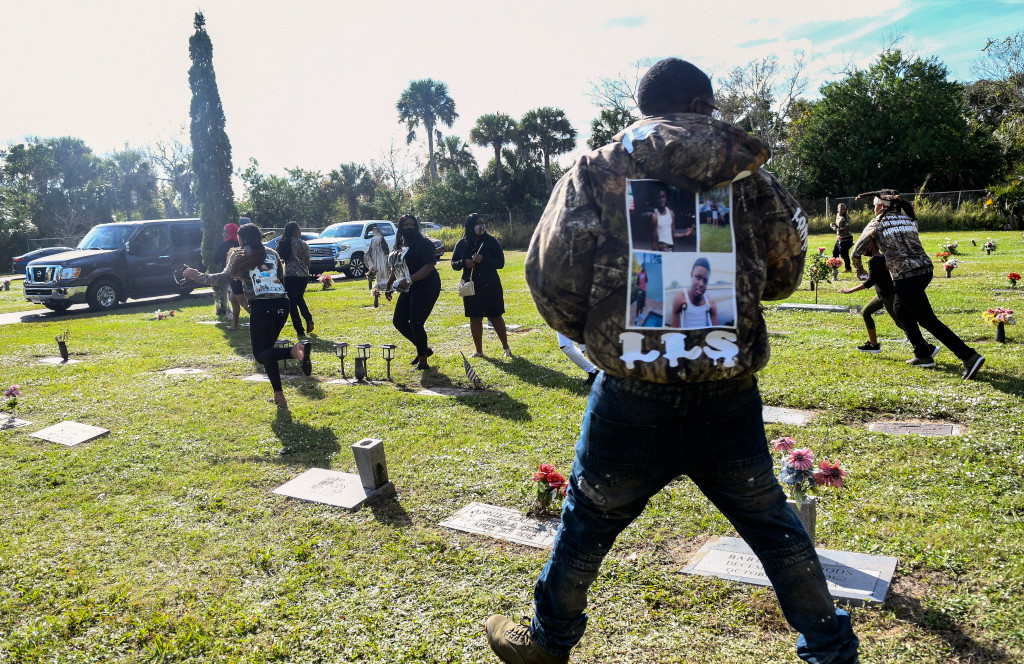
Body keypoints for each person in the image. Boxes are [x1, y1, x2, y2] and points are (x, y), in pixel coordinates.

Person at [485, 58, 858, 664]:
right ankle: (832, 649)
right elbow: (788, 272)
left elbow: (549, 274)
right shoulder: (752, 177)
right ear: (705, 104)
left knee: (589, 520)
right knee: (770, 521)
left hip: (632, 388)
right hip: (726, 387)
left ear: (644, 108)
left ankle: (548, 644)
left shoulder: (594, 170)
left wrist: (605, 333)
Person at [851, 189, 984, 379]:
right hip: (925, 271)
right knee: (901, 310)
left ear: (880, 206)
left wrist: (860, 271)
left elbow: (856, 252)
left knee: (927, 319)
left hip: (907, 276)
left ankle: (969, 356)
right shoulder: (909, 219)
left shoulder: (876, 223)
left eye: (873, 206)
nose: (873, 209)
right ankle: (923, 355)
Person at [183, 223, 311, 407]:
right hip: (283, 304)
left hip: (262, 307)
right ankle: (279, 395)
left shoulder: (239, 253)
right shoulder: (272, 253)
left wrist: (198, 276)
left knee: (260, 355)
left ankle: (295, 351)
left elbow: (224, 278)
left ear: (241, 239)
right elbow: (280, 279)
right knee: (268, 351)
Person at [451, 213, 512, 358]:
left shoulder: (491, 241)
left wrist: (482, 259)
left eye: (482, 223)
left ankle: (506, 348)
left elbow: (500, 263)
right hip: (471, 286)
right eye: (477, 223)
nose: (481, 226)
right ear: (470, 226)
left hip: (490, 285)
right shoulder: (462, 242)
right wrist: (464, 262)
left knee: (495, 316)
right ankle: (479, 351)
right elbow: (453, 263)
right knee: (475, 318)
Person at [385, 214, 441, 370]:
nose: (409, 227)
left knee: (416, 322)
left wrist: (408, 280)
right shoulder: (400, 244)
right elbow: (396, 266)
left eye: (412, 225)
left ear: (416, 227)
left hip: (427, 285)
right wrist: (390, 284)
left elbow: (429, 266)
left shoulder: (423, 243)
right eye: (405, 225)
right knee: (399, 321)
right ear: (400, 228)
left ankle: (423, 362)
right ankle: (424, 349)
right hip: (408, 286)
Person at [838, 238, 908, 353]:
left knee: (901, 322)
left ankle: (925, 345)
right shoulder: (881, 257)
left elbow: (870, 282)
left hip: (888, 295)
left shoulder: (874, 260)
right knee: (866, 312)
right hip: (884, 294)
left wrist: (851, 290)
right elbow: (877, 275)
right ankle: (873, 345)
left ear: (871, 246)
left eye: (863, 247)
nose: (861, 251)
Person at [277, 221, 315, 338]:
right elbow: (308, 262)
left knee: (292, 304)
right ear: (295, 231)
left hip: (289, 276)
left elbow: (279, 259)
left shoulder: (283, 244)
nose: (300, 232)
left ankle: (299, 329)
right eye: (299, 230)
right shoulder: (304, 244)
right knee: (299, 298)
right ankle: (309, 320)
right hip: (303, 275)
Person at [213, 222, 251, 326]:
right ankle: (234, 325)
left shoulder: (226, 244)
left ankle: (262, 320)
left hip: (233, 275)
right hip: (242, 274)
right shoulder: (241, 243)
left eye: (225, 231)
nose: (223, 234)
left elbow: (215, 259)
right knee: (233, 299)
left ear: (229, 232)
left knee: (243, 302)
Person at [670, 257, 718, 328]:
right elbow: (673, 329)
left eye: (705, 281)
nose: (701, 284)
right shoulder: (680, 298)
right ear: (691, 275)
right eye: (698, 277)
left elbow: (716, 332)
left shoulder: (711, 303)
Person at [365, 224, 391, 307]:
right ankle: (380, 280)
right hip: (378, 255)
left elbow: (383, 248)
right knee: (379, 267)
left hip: (379, 255)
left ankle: (383, 280)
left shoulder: (377, 238)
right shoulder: (376, 238)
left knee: (382, 267)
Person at [831, 203, 854, 272]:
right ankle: (834, 268)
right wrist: (833, 225)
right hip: (839, 238)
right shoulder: (838, 215)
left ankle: (848, 268)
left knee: (844, 254)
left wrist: (837, 229)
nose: (842, 210)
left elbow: (847, 227)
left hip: (846, 239)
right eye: (841, 209)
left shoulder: (846, 217)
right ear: (838, 209)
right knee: (835, 253)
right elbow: (837, 224)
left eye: (844, 209)